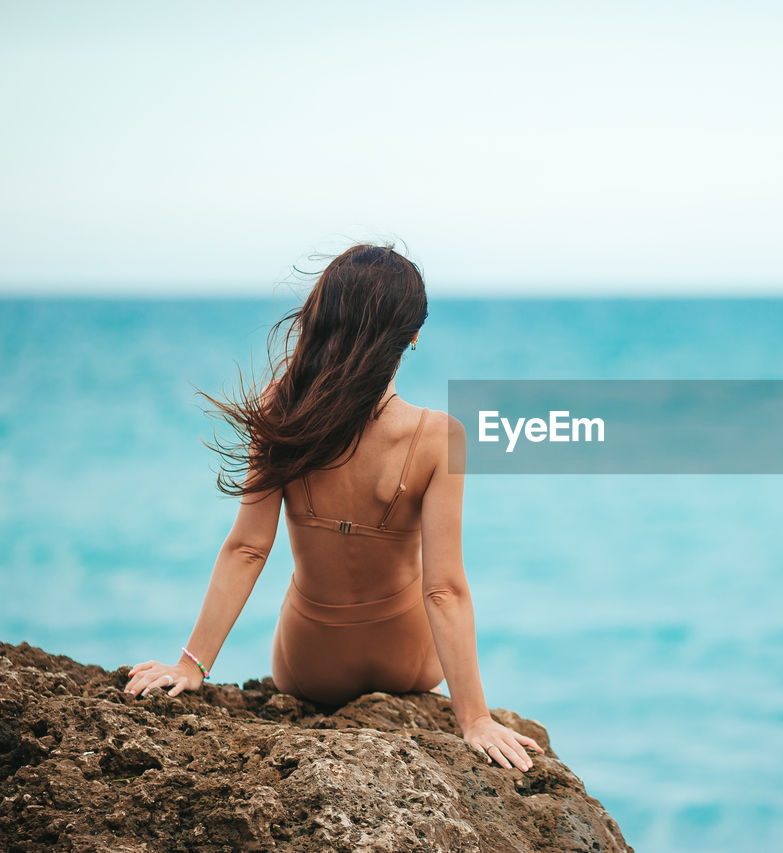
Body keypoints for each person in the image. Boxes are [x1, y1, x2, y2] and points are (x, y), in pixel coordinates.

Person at [124, 244, 542, 773]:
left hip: (309, 668)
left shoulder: (281, 410)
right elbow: (444, 589)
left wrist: (192, 665)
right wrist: (475, 719)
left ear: (320, 317)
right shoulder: (439, 437)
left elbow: (248, 547)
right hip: (409, 661)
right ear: (413, 335)